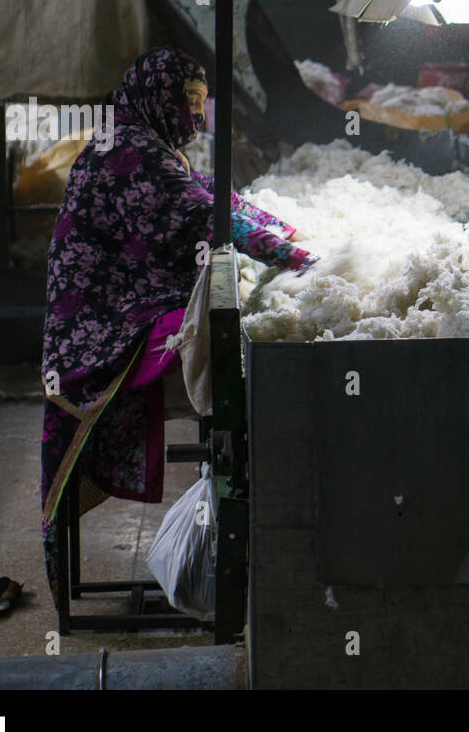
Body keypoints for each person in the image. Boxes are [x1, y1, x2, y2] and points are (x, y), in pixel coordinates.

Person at [38, 45, 312, 607]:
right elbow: (194, 212)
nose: (195, 116)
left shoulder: (137, 138)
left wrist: (264, 216)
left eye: (201, 103)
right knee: (213, 345)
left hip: (112, 300)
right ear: (158, 98)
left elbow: (201, 188)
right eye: (187, 102)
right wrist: (289, 256)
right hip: (99, 325)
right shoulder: (129, 152)